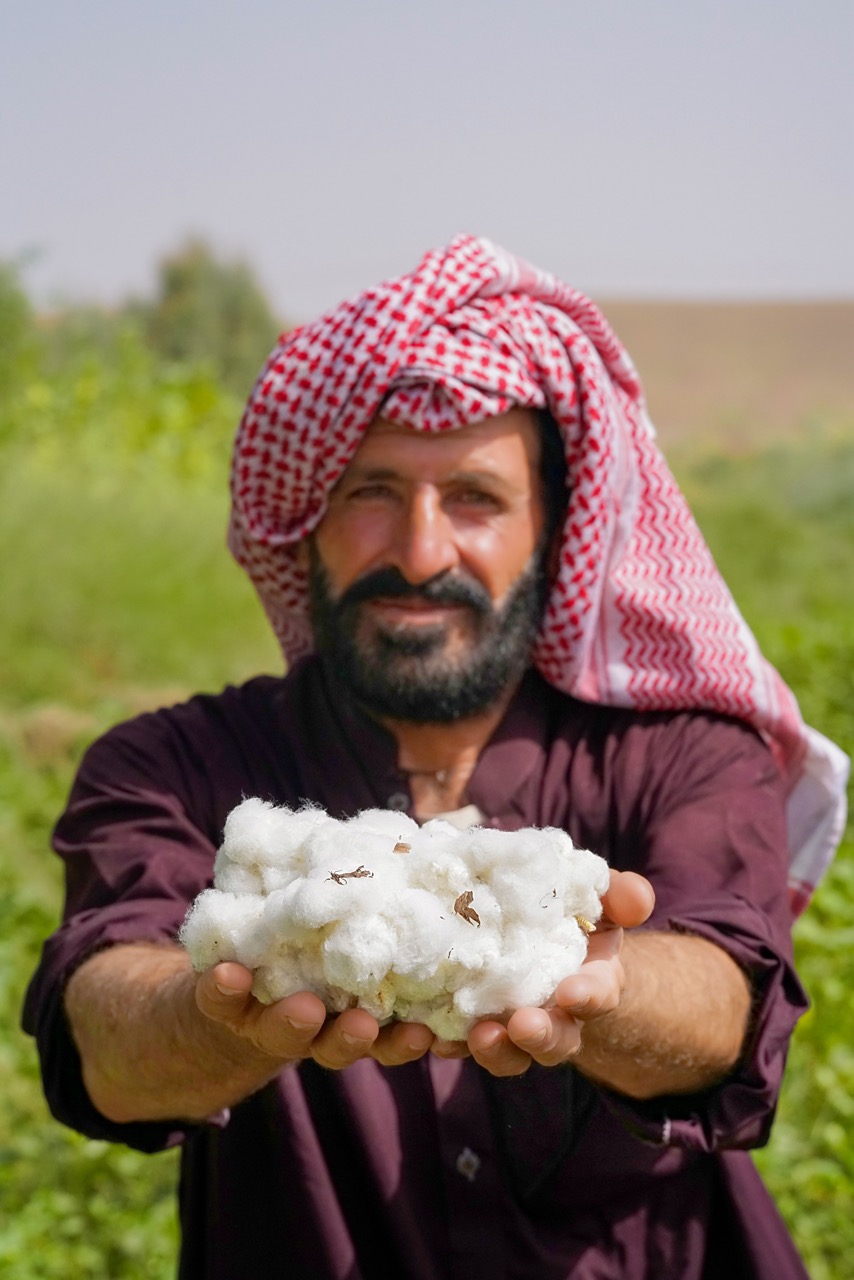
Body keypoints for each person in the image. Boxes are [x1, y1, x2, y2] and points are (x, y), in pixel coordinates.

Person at [24, 235, 848, 1280]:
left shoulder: (684, 748)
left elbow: (726, 1004)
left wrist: (591, 978)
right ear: (307, 524)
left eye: (473, 497)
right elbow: (107, 1036)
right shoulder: (170, 767)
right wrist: (221, 1006)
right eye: (370, 491)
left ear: (551, 532)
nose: (418, 552)